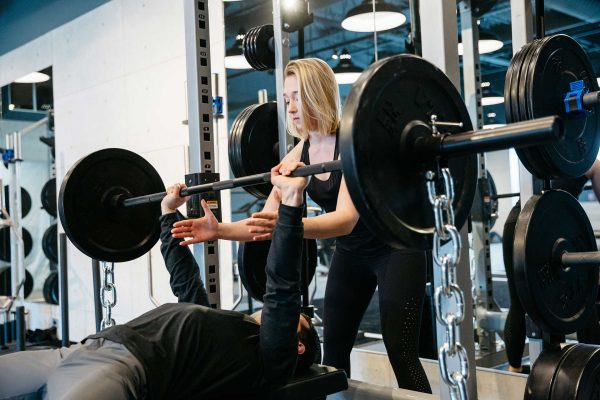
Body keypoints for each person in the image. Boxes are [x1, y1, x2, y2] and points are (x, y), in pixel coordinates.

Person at [170, 58, 432, 393]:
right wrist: (218, 230)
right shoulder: (298, 155)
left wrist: (288, 223)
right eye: (287, 97)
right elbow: (265, 223)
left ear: (317, 94)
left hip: (395, 249)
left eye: (297, 96)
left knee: (401, 353)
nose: (290, 107)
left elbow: (345, 220)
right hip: (351, 255)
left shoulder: (353, 142)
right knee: (334, 354)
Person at [0, 166, 321, 400]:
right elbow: (185, 280)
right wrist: (167, 216)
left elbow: (282, 290)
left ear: (298, 345)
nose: (277, 314)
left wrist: (291, 204)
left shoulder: (273, 361)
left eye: (298, 319)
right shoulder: (225, 330)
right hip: (77, 351)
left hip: (123, 370)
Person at [503, 160, 600, 373]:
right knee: (585, 297)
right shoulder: (589, 161)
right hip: (541, 227)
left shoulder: (552, 154)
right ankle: (592, 366)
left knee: (521, 302)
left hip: (521, 222)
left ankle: (514, 371)